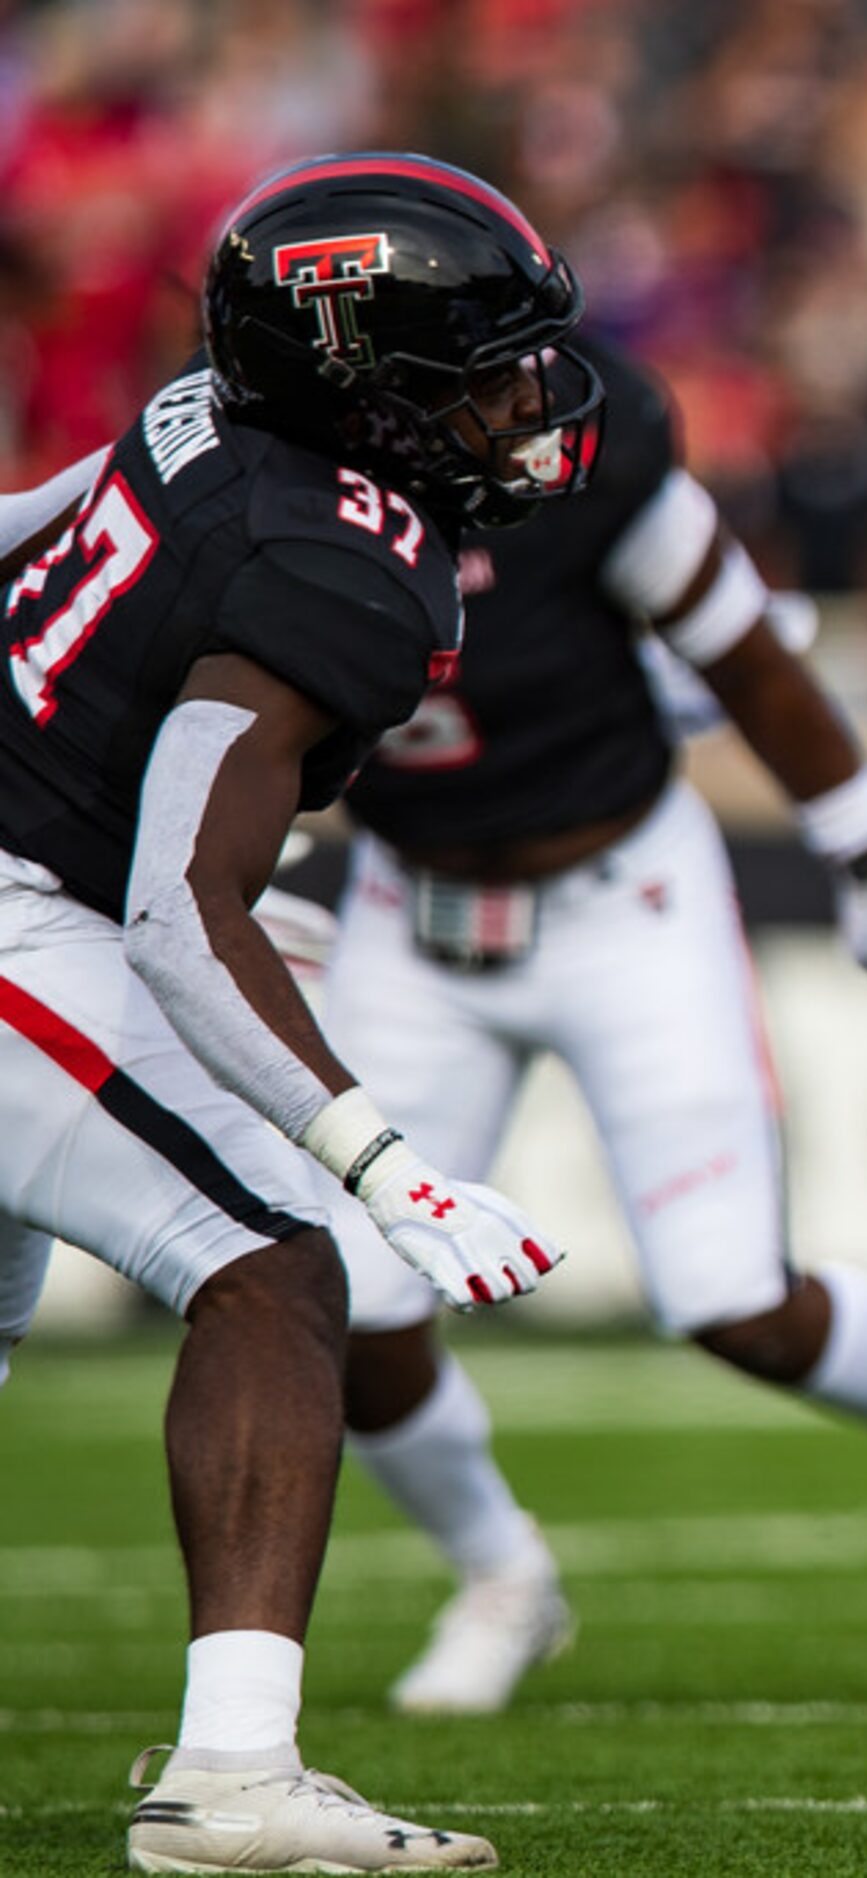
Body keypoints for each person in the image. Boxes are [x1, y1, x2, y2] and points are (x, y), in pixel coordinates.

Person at [314, 326, 867, 1716]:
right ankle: (502, 1574)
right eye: (475, 368)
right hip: (407, 916)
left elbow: (744, 658)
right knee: (354, 1306)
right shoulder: (268, 492)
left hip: (623, 903)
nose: (527, 400)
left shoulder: (586, 475)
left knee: (726, 1297)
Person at [0, 151, 594, 1873]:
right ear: (359, 378)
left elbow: (35, 532)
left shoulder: (213, 418)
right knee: (273, 1261)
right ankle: (233, 1773)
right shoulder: (338, 563)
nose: (519, 402)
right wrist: (384, 1154)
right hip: (29, 905)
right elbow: (179, 911)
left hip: (43, 885)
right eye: (473, 367)